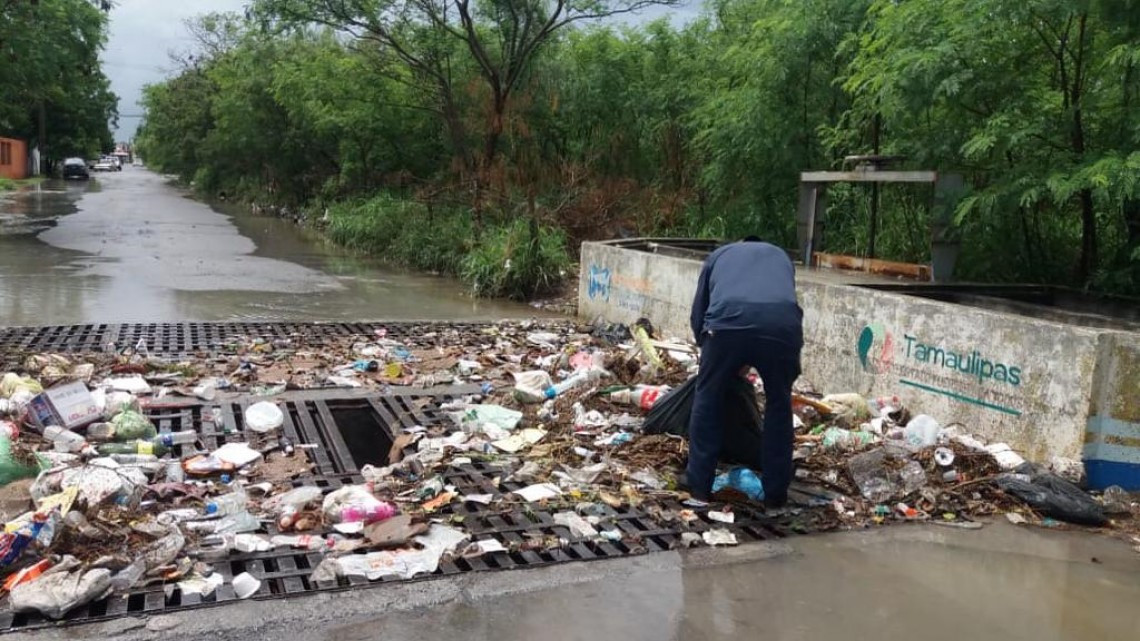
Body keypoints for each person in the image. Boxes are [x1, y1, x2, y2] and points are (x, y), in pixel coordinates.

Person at [684, 237, 803, 508]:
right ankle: (775, 496)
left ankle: (699, 490)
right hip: (782, 328)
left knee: (708, 396)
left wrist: (712, 355)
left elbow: (699, 312)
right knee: (779, 403)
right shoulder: (781, 256)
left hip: (726, 323)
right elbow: (782, 300)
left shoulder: (719, 256)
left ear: (738, 243)